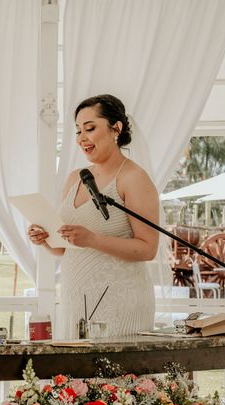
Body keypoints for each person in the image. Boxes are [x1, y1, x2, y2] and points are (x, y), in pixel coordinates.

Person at [28, 94, 159, 339]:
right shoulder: (75, 178)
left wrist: (92, 239)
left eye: (90, 128)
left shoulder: (133, 178)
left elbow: (148, 248)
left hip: (120, 304)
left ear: (115, 129)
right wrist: (45, 238)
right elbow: (64, 248)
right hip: (75, 300)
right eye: (78, 131)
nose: (82, 139)